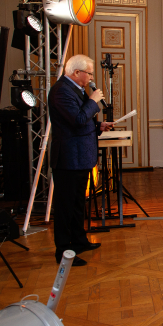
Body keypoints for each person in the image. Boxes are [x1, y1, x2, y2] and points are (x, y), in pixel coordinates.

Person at [48, 54, 115, 266]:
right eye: (90, 73)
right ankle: (63, 252)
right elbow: (77, 120)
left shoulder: (75, 89)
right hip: (68, 158)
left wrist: (98, 126)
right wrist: (93, 101)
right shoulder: (61, 91)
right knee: (65, 207)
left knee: (78, 203)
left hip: (80, 157)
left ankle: (78, 241)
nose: (91, 78)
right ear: (76, 72)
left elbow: (81, 120)